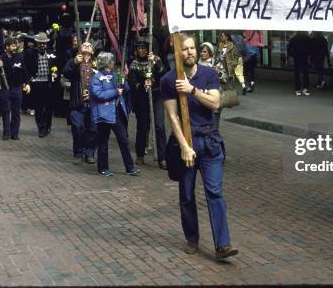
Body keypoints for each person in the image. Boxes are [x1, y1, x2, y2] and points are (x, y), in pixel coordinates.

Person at [161, 33, 238, 261]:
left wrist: (192, 90)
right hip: (187, 143)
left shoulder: (208, 74)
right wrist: (184, 146)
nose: (190, 52)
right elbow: (173, 117)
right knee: (186, 194)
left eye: (192, 48)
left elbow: (215, 102)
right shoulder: (168, 79)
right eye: (184, 49)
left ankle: (223, 245)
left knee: (215, 192)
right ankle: (192, 238)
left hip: (211, 142)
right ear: (177, 52)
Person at [89, 52, 140, 177]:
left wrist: (123, 81)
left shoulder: (115, 75)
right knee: (103, 142)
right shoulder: (96, 77)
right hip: (104, 114)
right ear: (107, 63)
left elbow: (126, 89)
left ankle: (130, 167)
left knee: (123, 140)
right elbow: (98, 95)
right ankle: (103, 168)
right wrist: (115, 91)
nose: (113, 63)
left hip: (116, 113)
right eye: (112, 61)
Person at [128, 38, 167, 169]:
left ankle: (163, 157)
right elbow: (132, 82)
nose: (141, 50)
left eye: (143, 48)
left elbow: (163, 73)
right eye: (139, 48)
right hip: (142, 98)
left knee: (159, 126)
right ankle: (140, 155)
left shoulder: (156, 59)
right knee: (142, 126)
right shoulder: (134, 63)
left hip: (157, 96)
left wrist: (154, 63)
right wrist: (142, 84)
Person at [62, 42, 98, 164]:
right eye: (84, 45)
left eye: (89, 45)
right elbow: (65, 72)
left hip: (93, 103)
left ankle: (90, 153)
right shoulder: (74, 61)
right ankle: (78, 153)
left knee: (93, 130)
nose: (87, 46)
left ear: (93, 50)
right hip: (77, 102)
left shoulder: (97, 64)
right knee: (78, 128)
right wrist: (74, 62)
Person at [24, 32, 59, 137]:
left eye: (44, 43)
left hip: (48, 83)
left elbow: (57, 65)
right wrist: (29, 79)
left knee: (49, 107)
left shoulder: (52, 53)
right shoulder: (30, 53)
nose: (42, 45)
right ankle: (41, 128)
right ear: (37, 43)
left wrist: (56, 73)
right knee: (38, 107)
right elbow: (25, 67)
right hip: (37, 83)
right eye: (40, 43)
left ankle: (48, 126)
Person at [0, 38, 30, 140]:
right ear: (7, 47)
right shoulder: (1, 58)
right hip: (5, 89)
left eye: (15, 46)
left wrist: (27, 83)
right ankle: (6, 133)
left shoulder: (19, 58)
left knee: (16, 112)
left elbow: (25, 72)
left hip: (17, 88)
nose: (14, 47)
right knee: (5, 111)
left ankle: (14, 133)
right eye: (12, 46)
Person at [198, 42, 228, 128]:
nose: (202, 54)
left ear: (210, 52)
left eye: (204, 52)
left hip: (214, 98)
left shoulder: (216, 63)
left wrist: (216, 72)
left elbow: (224, 78)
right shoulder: (196, 64)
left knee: (214, 127)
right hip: (201, 99)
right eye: (201, 52)